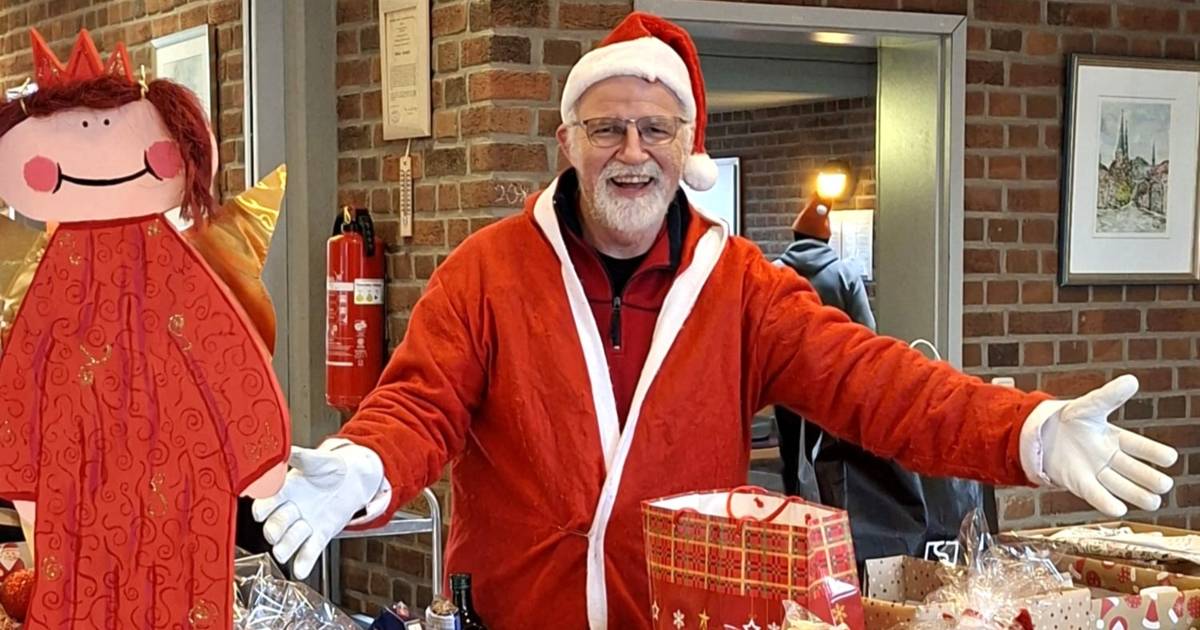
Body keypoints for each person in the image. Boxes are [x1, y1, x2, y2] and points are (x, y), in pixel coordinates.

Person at [252, 12, 1178, 630]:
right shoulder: (485, 274)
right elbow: (421, 405)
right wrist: (361, 469)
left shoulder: (741, 286)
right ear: (567, 143)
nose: (631, 152)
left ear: (689, 146)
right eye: (607, 127)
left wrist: (1025, 430)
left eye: (655, 130)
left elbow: (875, 383)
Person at [0, 30, 289, 629]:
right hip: (77, 468)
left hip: (179, 464)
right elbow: (23, 373)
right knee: (82, 590)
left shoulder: (168, 261)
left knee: (177, 588)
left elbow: (221, 347)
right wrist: (20, 472)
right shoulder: (59, 272)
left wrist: (258, 452)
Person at [774, 197, 983, 568]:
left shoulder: (774, 272)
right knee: (838, 462)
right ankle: (841, 524)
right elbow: (867, 333)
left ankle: (799, 515)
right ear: (826, 238)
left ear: (794, 235)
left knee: (797, 458)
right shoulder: (844, 273)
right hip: (840, 386)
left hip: (786, 384)